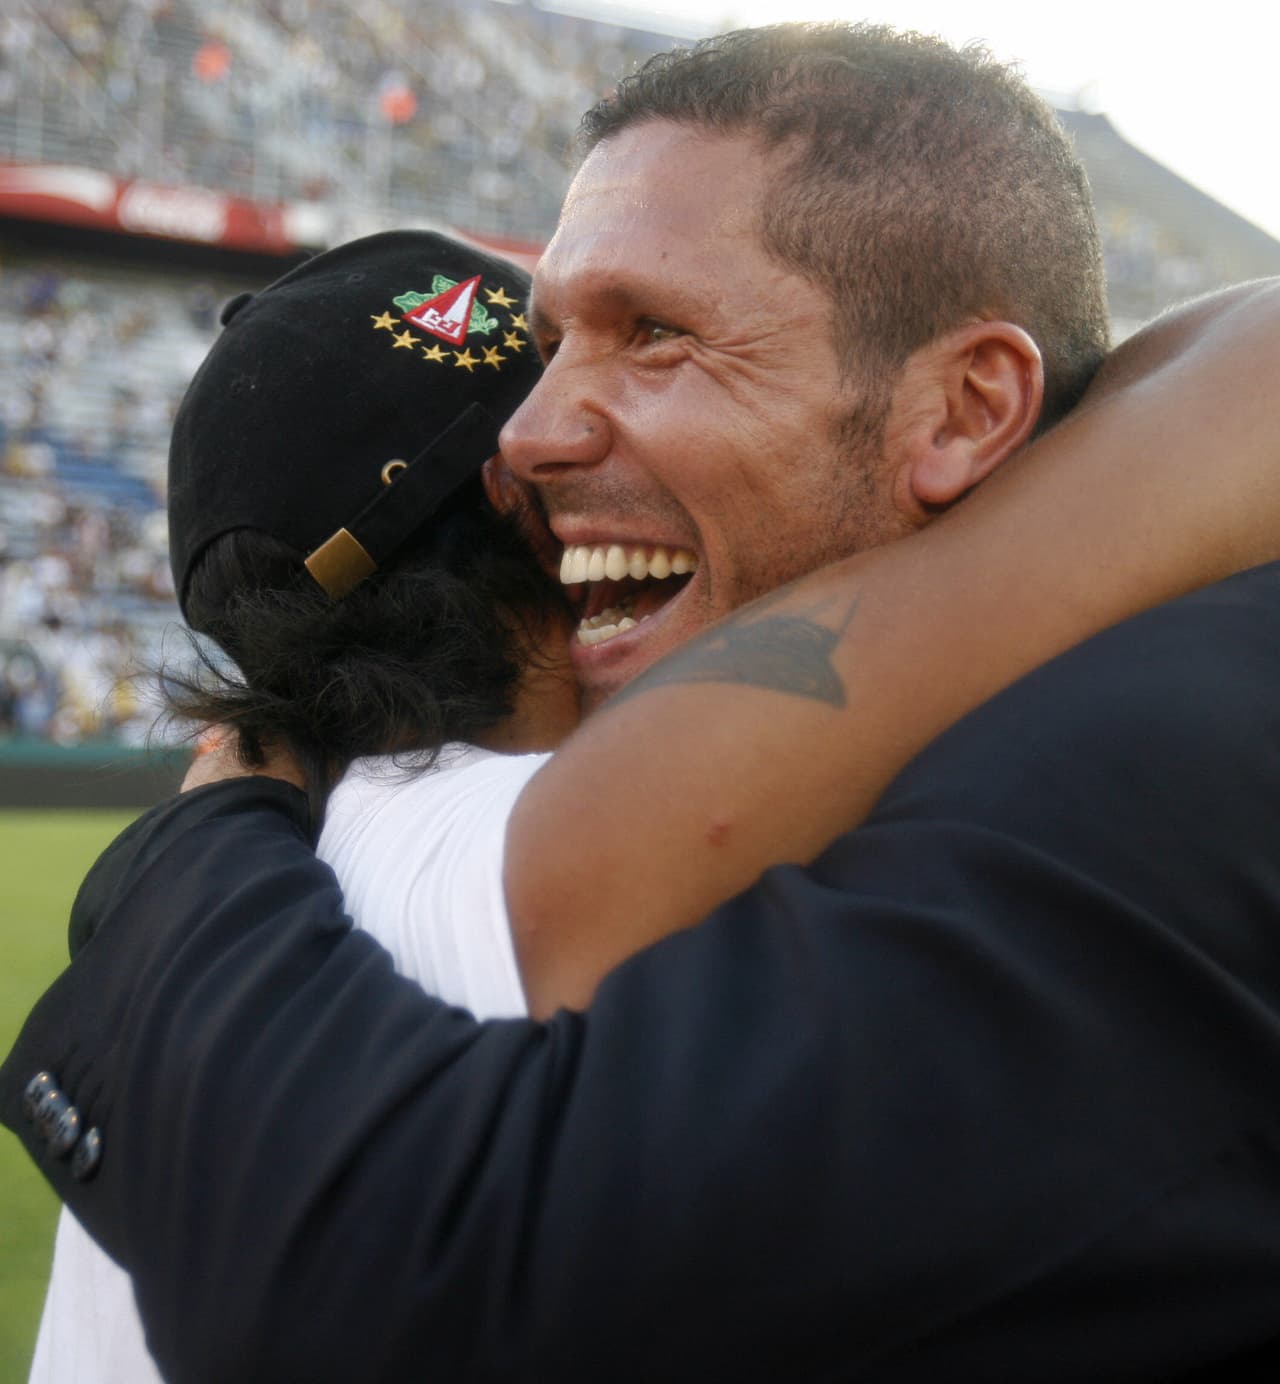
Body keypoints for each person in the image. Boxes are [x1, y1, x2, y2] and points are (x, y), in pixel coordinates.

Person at [8, 21, 1280, 1381]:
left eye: (656, 335)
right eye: (551, 341)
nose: (525, 437)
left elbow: (403, 1270)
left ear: (970, 410)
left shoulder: (1143, 761)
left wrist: (189, 854)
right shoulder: (576, 830)